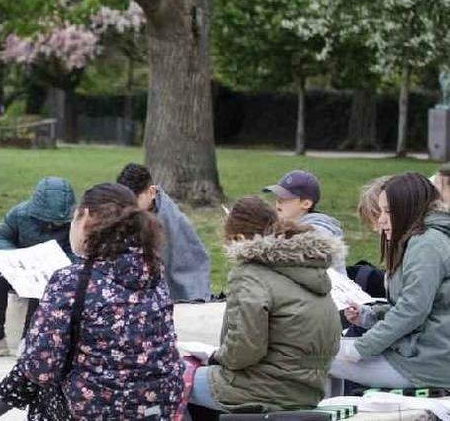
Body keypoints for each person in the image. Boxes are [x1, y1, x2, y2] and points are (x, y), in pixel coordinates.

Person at [0, 183, 185, 420]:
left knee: (42, 382)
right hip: (159, 406)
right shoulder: (153, 271)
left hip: (100, 410)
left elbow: (38, 368)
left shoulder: (73, 280)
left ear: (86, 218)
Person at [186, 197, 341, 417]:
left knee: (167, 380)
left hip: (261, 389)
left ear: (238, 238)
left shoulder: (250, 274)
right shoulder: (310, 270)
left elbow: (245, 350)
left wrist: (215, 357)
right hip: (308, 390)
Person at [333, 173, 450, 389]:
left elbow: (412, 311)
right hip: (423, 355)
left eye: (388, 211)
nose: (380, 221)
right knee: (324, 353)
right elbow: (420, 307)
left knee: (315, 357)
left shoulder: (426, 245)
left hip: (426, 365)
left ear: (408, 209)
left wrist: (361, 347)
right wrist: (369, 315)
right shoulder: (424, 241)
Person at [0, 177, 76, 359]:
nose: (54, 225)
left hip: (50, 276)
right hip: (20, 269)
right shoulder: (19, 214)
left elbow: (77, 252)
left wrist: (59, 264)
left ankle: (27, 339)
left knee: (42, 282)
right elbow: (0, 237)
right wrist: (13, 257)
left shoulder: (73, 223)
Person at [116, 163, 211, 302]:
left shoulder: (172, 221)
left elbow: (191, 263)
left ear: (152, 192)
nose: (130, 207)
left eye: (136, 201)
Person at [262, 169, 347, 274]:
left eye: (285, 197)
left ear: (306, 204)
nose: (278, 201)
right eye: (278, 196)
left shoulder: (319, 233)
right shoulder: (287, 227)